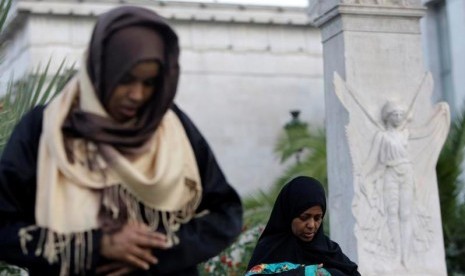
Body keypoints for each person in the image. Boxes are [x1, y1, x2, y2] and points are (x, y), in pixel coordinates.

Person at [0, 5, 242, 275]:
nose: (137, 95)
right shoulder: (45, 129)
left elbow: (225, 215)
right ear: (102, 67)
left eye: (149, 82)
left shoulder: (171, 127)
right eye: (125, 79)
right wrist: (96, 246)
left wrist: (150, 248)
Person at [246, 176, 360, 276]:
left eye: (317, 218)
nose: (311, 225)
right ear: (289, 214)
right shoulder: (269, 249)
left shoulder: (330, 251)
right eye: (304, 217)